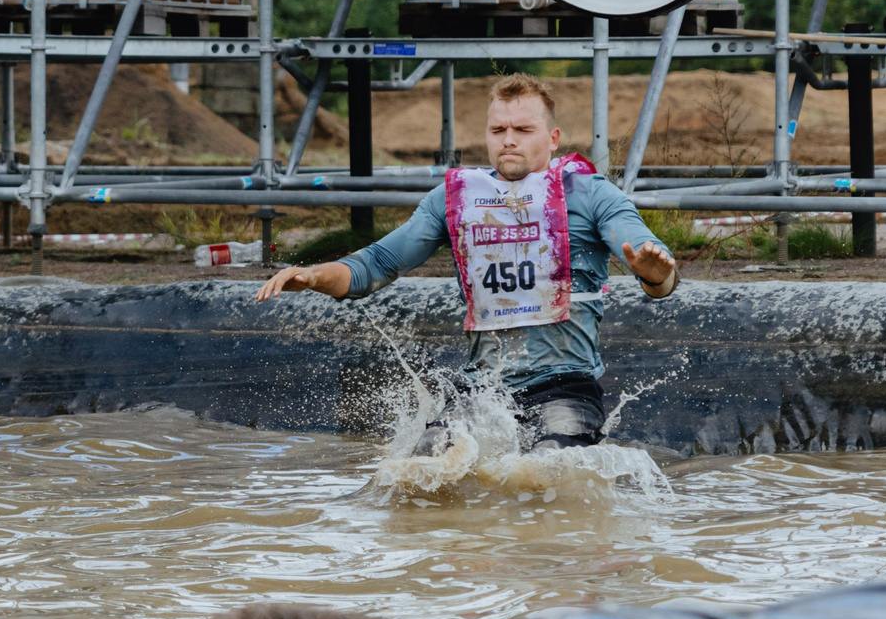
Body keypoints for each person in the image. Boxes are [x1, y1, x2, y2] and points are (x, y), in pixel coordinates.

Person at [254, 73, 678, 450]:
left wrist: (655, 275)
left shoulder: (591, 194)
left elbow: (646, 253)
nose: (508, 139)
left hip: (564, 385)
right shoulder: (455, 200)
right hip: (481, 388)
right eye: (498, 129)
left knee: (554, 469)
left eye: (523, 129)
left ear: (552, 138)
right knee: (426, 465)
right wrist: (312, 276)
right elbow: (377, 263)